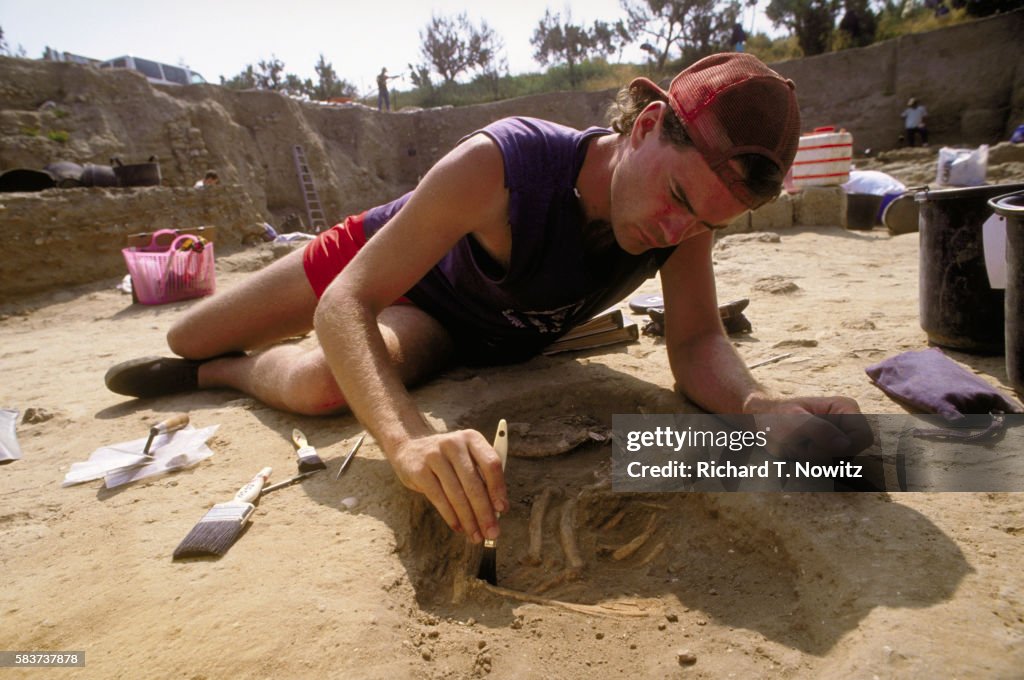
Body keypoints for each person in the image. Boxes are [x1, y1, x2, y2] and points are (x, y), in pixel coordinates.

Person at [106, 53, 872, 545]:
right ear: (644, 127)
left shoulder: (686, 218)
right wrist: (405, 445)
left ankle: (225, 379)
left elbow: (697, 343)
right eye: (677, 198)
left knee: (319, 385)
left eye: (705, 221)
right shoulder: (503, 165)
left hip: (458, 323)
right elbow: (346, 300)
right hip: (385, 254)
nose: (677, 229)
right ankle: (209, 365)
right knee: (191, 335)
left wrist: (756, 406)